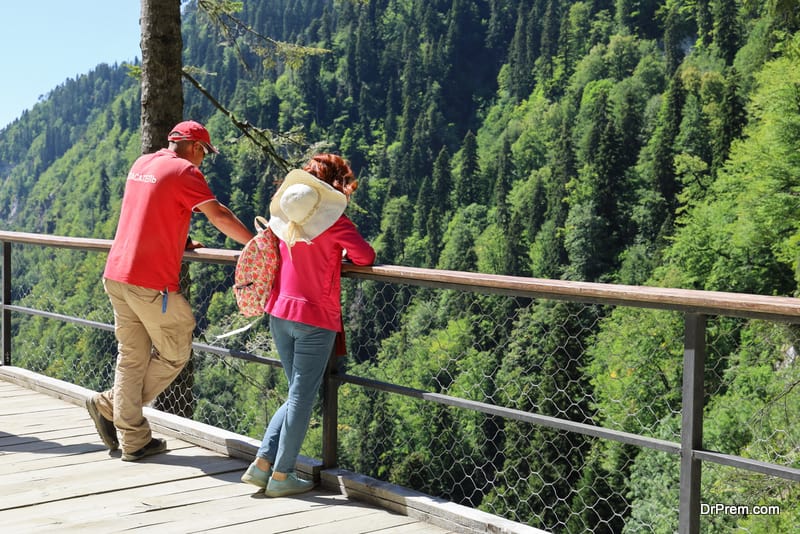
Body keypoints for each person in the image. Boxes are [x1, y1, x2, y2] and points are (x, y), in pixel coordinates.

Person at [86, 120, 254, 462]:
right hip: (149, 282)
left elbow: (149, 211)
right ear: (196, 147)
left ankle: (132, 439)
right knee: (177, 347)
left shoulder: (143, 163)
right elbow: (218, 215)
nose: (204, 160)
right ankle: (108, 405)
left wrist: (180, 238)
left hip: (117, 273)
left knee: (131, 356)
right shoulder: (185, 172)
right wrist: (257, 244)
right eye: (205, 153)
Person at [241, 154, 375, 497]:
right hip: (315, 319)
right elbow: (365, 256)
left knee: (295, 394)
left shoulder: (285, 221)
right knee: (301, 397)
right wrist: (338, 256)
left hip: (279, 313)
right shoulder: (336, 223)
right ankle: (282, 476)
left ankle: (262, 464)